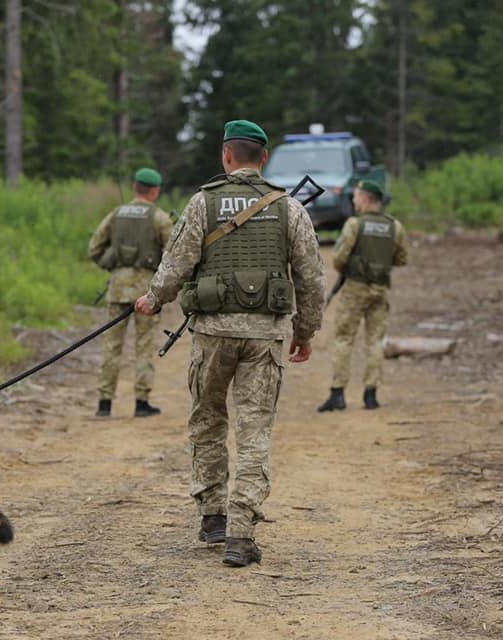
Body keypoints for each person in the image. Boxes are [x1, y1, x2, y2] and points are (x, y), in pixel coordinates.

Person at [135, 120, 326, 567]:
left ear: (225, 155)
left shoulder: (203, 202)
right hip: (265, 336)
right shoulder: (289, 209)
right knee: (254, 430)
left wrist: (153, 298)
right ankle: (241, 534)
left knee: (207, 422)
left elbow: (177, 260)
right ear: (263, 158)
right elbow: (312, 278)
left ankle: (213, 516)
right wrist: (305, 332)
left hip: (213, 333)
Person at [317, 179, 408, 412]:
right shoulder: (394, 226)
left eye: (356, 196)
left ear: (366, 199)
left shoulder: (354, 225)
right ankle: (371, 395)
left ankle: (338, 393)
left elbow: (339, 259)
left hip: (355, 289)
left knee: (344, 339)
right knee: (375, 341)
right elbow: (401, 259)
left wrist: (352, 267)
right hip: (381, 289)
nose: (354, 200)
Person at [89, 168, 173, 417]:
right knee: (144, 346)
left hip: (117, 287)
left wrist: (113, 265)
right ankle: (141, 402)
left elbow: (95, 248)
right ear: (155, 190)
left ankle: (104, 404)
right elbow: (173, 255)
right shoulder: (160, 218)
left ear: (135, 187)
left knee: (112, 346)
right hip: (147, 291)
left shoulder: (116, 214)